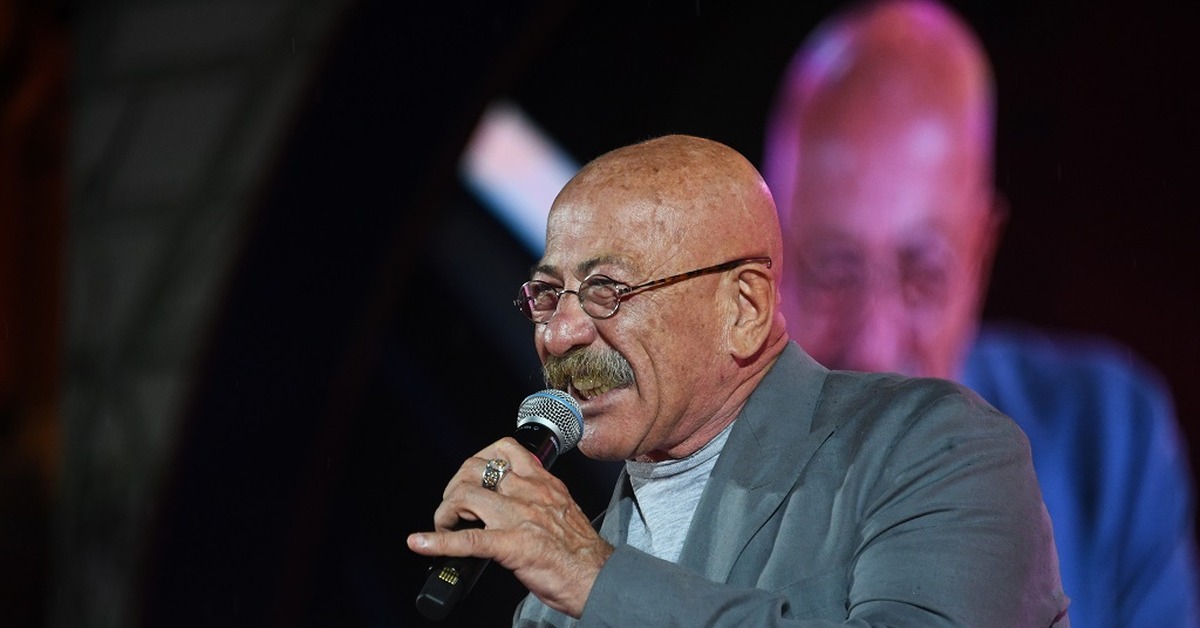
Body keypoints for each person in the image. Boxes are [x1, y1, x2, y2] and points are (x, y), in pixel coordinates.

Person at [407, 134, 1068, 625]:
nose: (558, 334)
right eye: (549, 295)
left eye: (607, 289)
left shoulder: (932, 449)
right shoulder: (552, 606)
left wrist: (592, 575)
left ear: (745, 308)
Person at [763, 2, 1200, 626]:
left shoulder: (1107, 438)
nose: (876, 348)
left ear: (980, 252)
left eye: (923, 274)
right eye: (835, 270)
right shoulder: (681, 475)